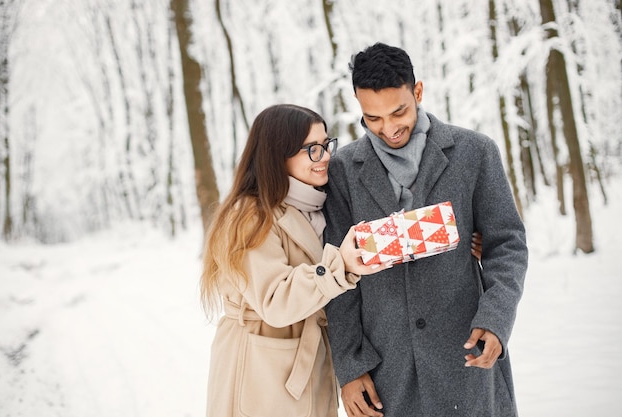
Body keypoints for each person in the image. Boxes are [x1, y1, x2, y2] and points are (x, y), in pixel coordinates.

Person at [322, 43, 528, 417]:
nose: (389, 128)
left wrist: (496, 319)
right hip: (388, 373)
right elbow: (338, 277)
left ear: (417, 91)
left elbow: (507, 244)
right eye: (373, 118)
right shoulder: (342, 172)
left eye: (398, 111)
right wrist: (351, 366)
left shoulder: (475, 152)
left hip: (466, 355)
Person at [200, 104, 392, 417]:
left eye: (326, 145)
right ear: (278, 154)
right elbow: (275, 299)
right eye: (312, 150)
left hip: (307, 367)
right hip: (260, 370)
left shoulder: (315, 206)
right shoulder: (250, 215)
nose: (325, 156)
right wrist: (338, 266)